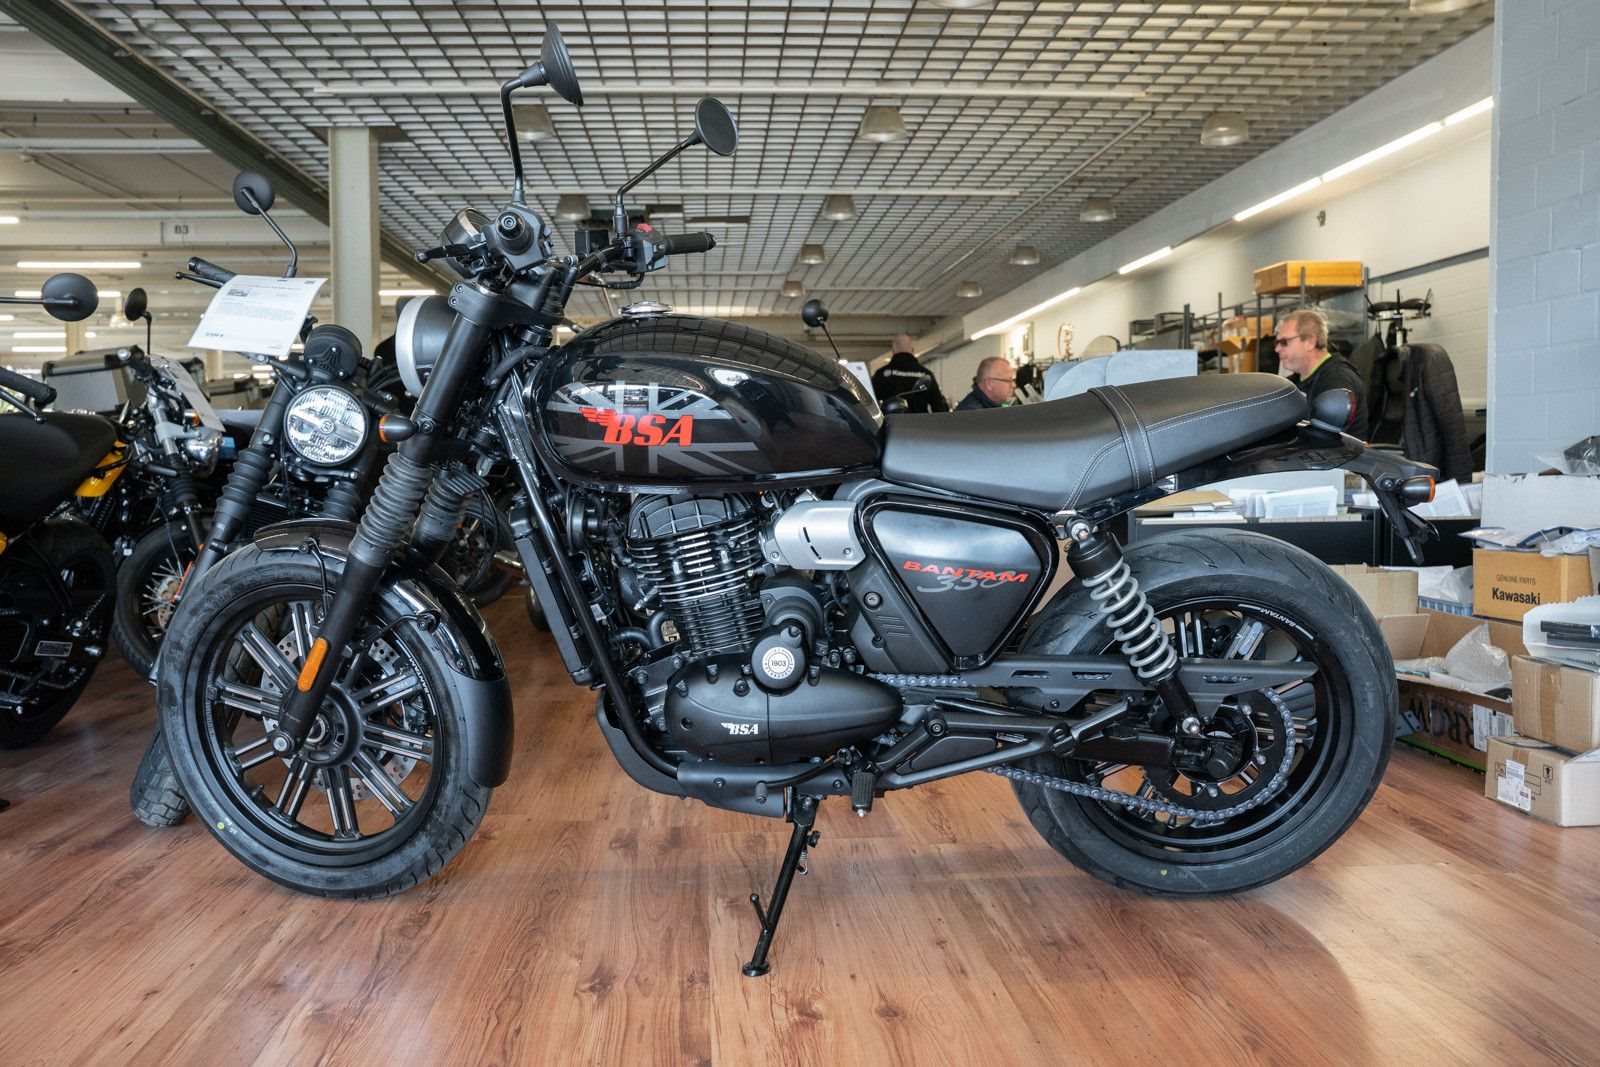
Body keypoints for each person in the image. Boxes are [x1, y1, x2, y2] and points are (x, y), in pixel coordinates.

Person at [1274, 308, 1367, 435]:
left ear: (1310, 342)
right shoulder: (1296, 380)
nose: (1277, 349)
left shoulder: (1337, 380)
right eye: (1277, 342)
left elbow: (1326, 439)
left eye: (1284, 342)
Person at [871, 334, 948, 413]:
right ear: (912, 350)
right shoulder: (926, 375)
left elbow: (872, 405)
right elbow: (938, 408)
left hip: (892, 420)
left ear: (893, 351)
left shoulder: (881, 375)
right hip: (920, 420)